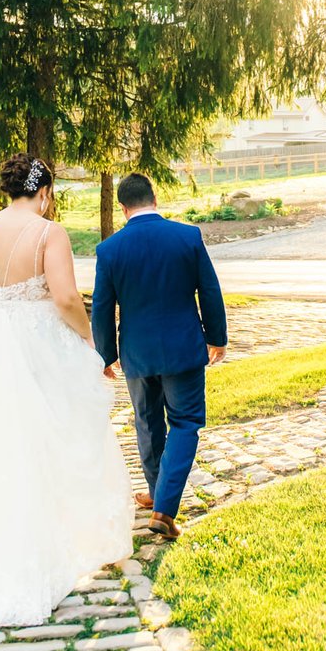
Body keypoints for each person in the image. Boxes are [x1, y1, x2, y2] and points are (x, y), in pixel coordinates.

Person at [0, 154, 134, 628]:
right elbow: (66, 298)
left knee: (1, 449)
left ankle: (4, 547)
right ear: (45, 191)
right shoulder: (47, 232)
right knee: (56, 440)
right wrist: (91, 341)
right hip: (41, 346)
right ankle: (49, 552)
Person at [91, 172, 227, 540]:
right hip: (183, 348)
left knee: (147, 424)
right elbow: (209, 291)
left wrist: (105, 355)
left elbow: (102, 308)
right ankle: (164, 507)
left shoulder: (110, 249)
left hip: (137, 352)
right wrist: (217, 338)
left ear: (122, 209)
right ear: (155, 199)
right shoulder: (187, 236)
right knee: (185, 423)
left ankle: (158, 495)